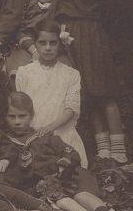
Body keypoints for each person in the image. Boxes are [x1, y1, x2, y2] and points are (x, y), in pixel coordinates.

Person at [51, 0, 128, 163]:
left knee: (103, 90)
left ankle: (119, 149)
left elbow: (111, 8)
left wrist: (100, 34)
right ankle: (102, 148)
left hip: (93, 34)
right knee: (86, 92)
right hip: (69, 36)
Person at [0, 92, 112, 211]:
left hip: (68, 175)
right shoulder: (5, 142)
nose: (17, 122)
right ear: (5, 117)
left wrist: (64, 163)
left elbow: (71, 153)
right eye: (12, 117)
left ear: (31, 116)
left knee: (81, 194)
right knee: (59, 199)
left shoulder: (44, 136)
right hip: (45, 185)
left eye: (22, 116)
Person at [14, 20, 88, 166]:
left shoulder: (71, 74)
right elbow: (21, 108)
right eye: (42, 43)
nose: (48, 48)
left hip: (63, 134)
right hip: (34, 135)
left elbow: (71, 109)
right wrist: (32, 133)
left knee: (70, 170)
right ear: (35, 44)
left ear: (59, 44)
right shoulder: (24, 72)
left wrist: (50, 128)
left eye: (53, 43)